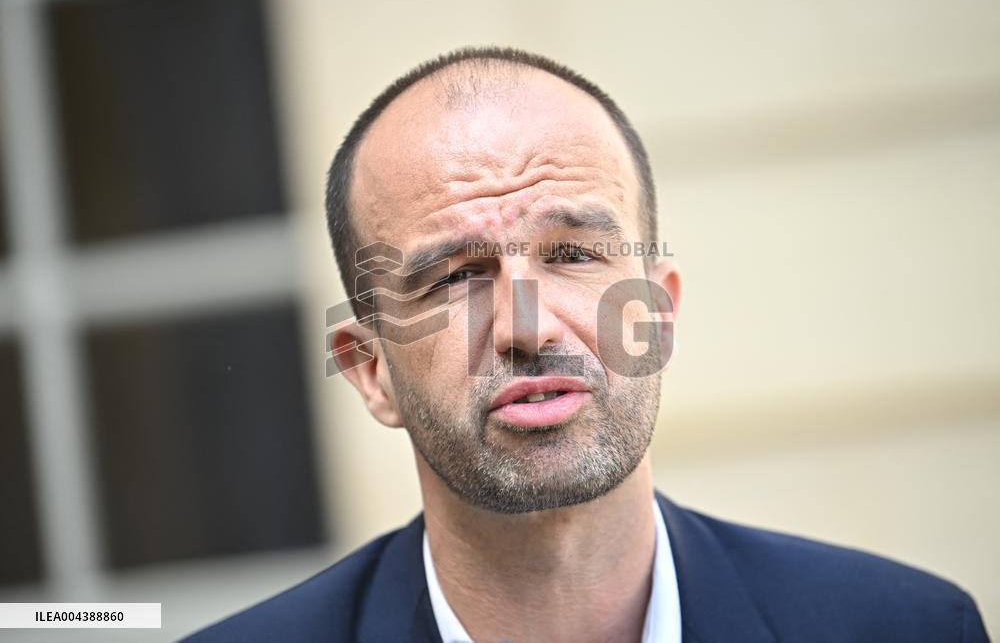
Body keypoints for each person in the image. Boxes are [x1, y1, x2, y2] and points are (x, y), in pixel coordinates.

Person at [185, 47, 989, 642]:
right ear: (370, 371)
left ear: (658, 315)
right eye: (456, 276)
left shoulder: (906, 628)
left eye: (572, 255)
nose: (527, 328)